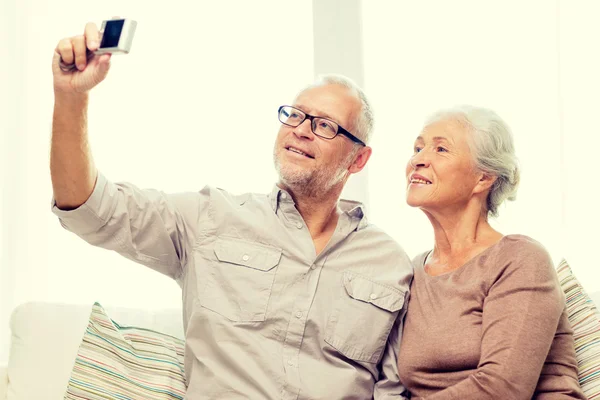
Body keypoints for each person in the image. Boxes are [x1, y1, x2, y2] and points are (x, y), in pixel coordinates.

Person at [50, 22, 413, 399]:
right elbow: (91, 210)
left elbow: (393, 390)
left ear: (358, 159)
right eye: (295, 115)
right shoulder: (209, 218)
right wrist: (70, 98)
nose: (301, 130)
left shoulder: (391, 265)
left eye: (324, 125)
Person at [398, 105, 585, 399]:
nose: (418, 160)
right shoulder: (410, 272)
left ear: (483, 178)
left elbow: (502, 387)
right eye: (418, 148)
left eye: (441, 149)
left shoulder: (519, 259)